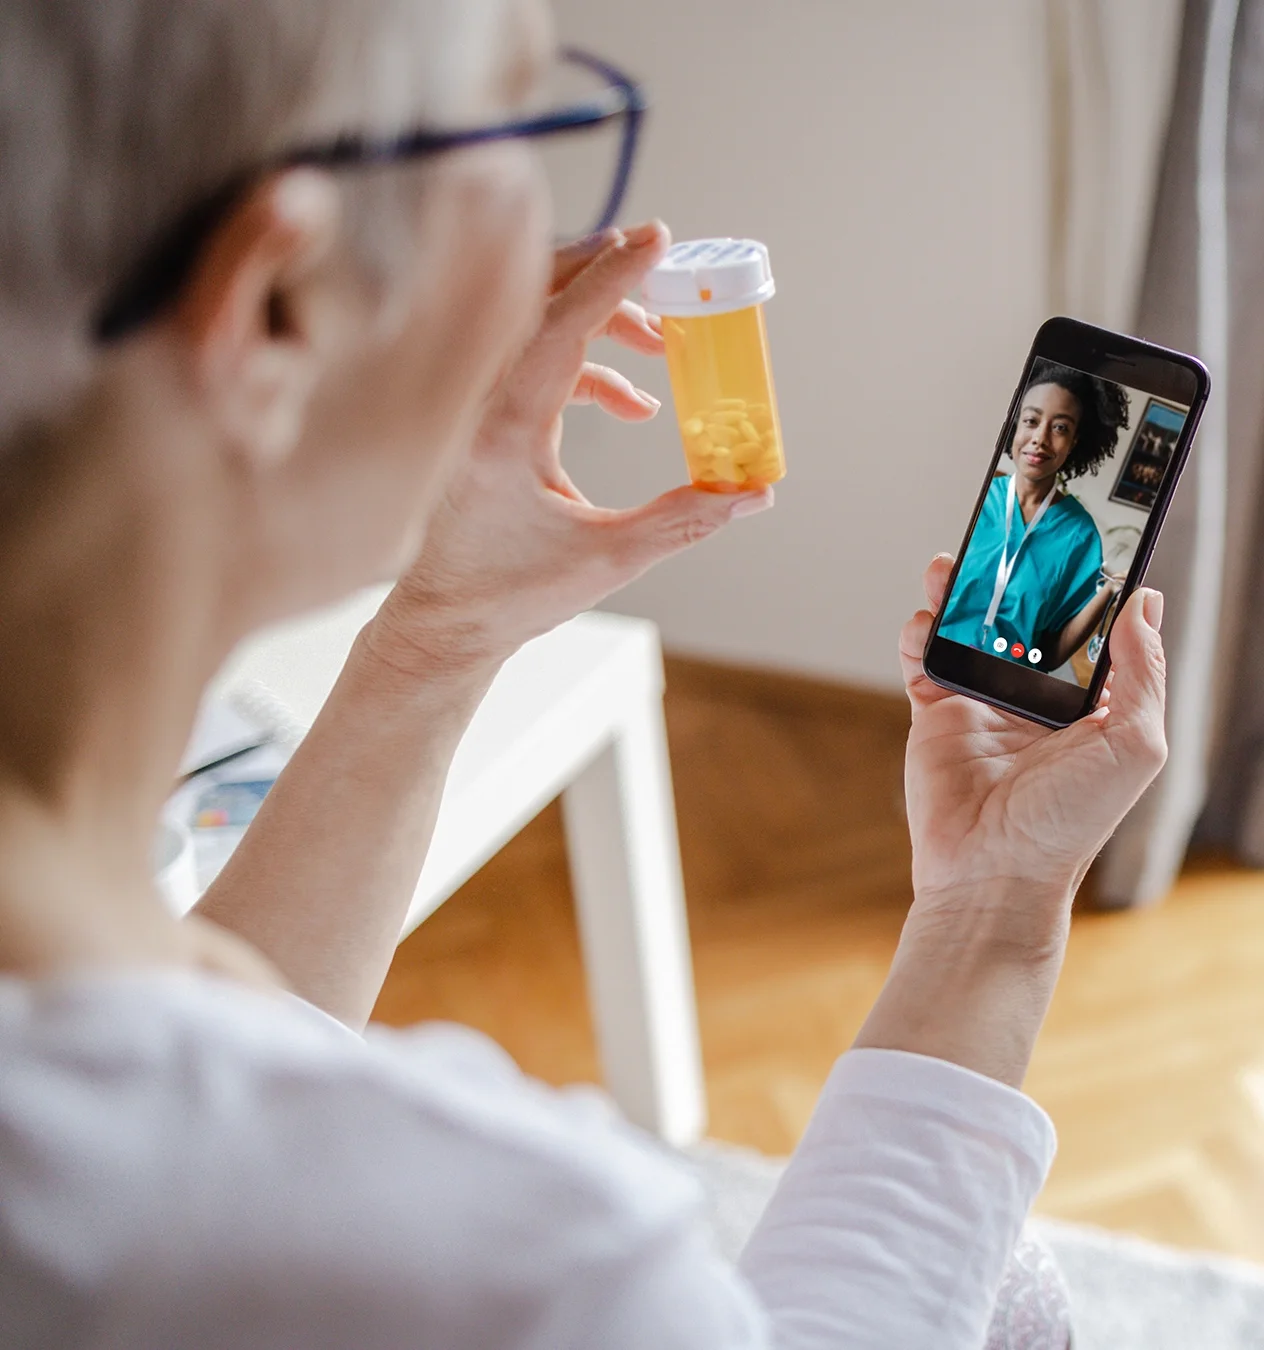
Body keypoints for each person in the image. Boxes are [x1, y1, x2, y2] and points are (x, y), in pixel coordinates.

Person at [0, 3, 1167, 1348]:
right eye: (522, 125)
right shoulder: (520, 1254)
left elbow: (183, 1085)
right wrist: (995, 911)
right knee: (1015, 1296)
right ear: (279, 307)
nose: (573, 248)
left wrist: (438, 630)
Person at [937, 360, 1131, 674]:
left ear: (1074, 442)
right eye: (1031, 420)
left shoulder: (1080, 535)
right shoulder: (977, 497)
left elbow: (1050, 655)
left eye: (1060, 428)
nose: (1040, 438)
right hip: (940, 663)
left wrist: (1108, 591)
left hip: (1011, 686)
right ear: (1015, 425)